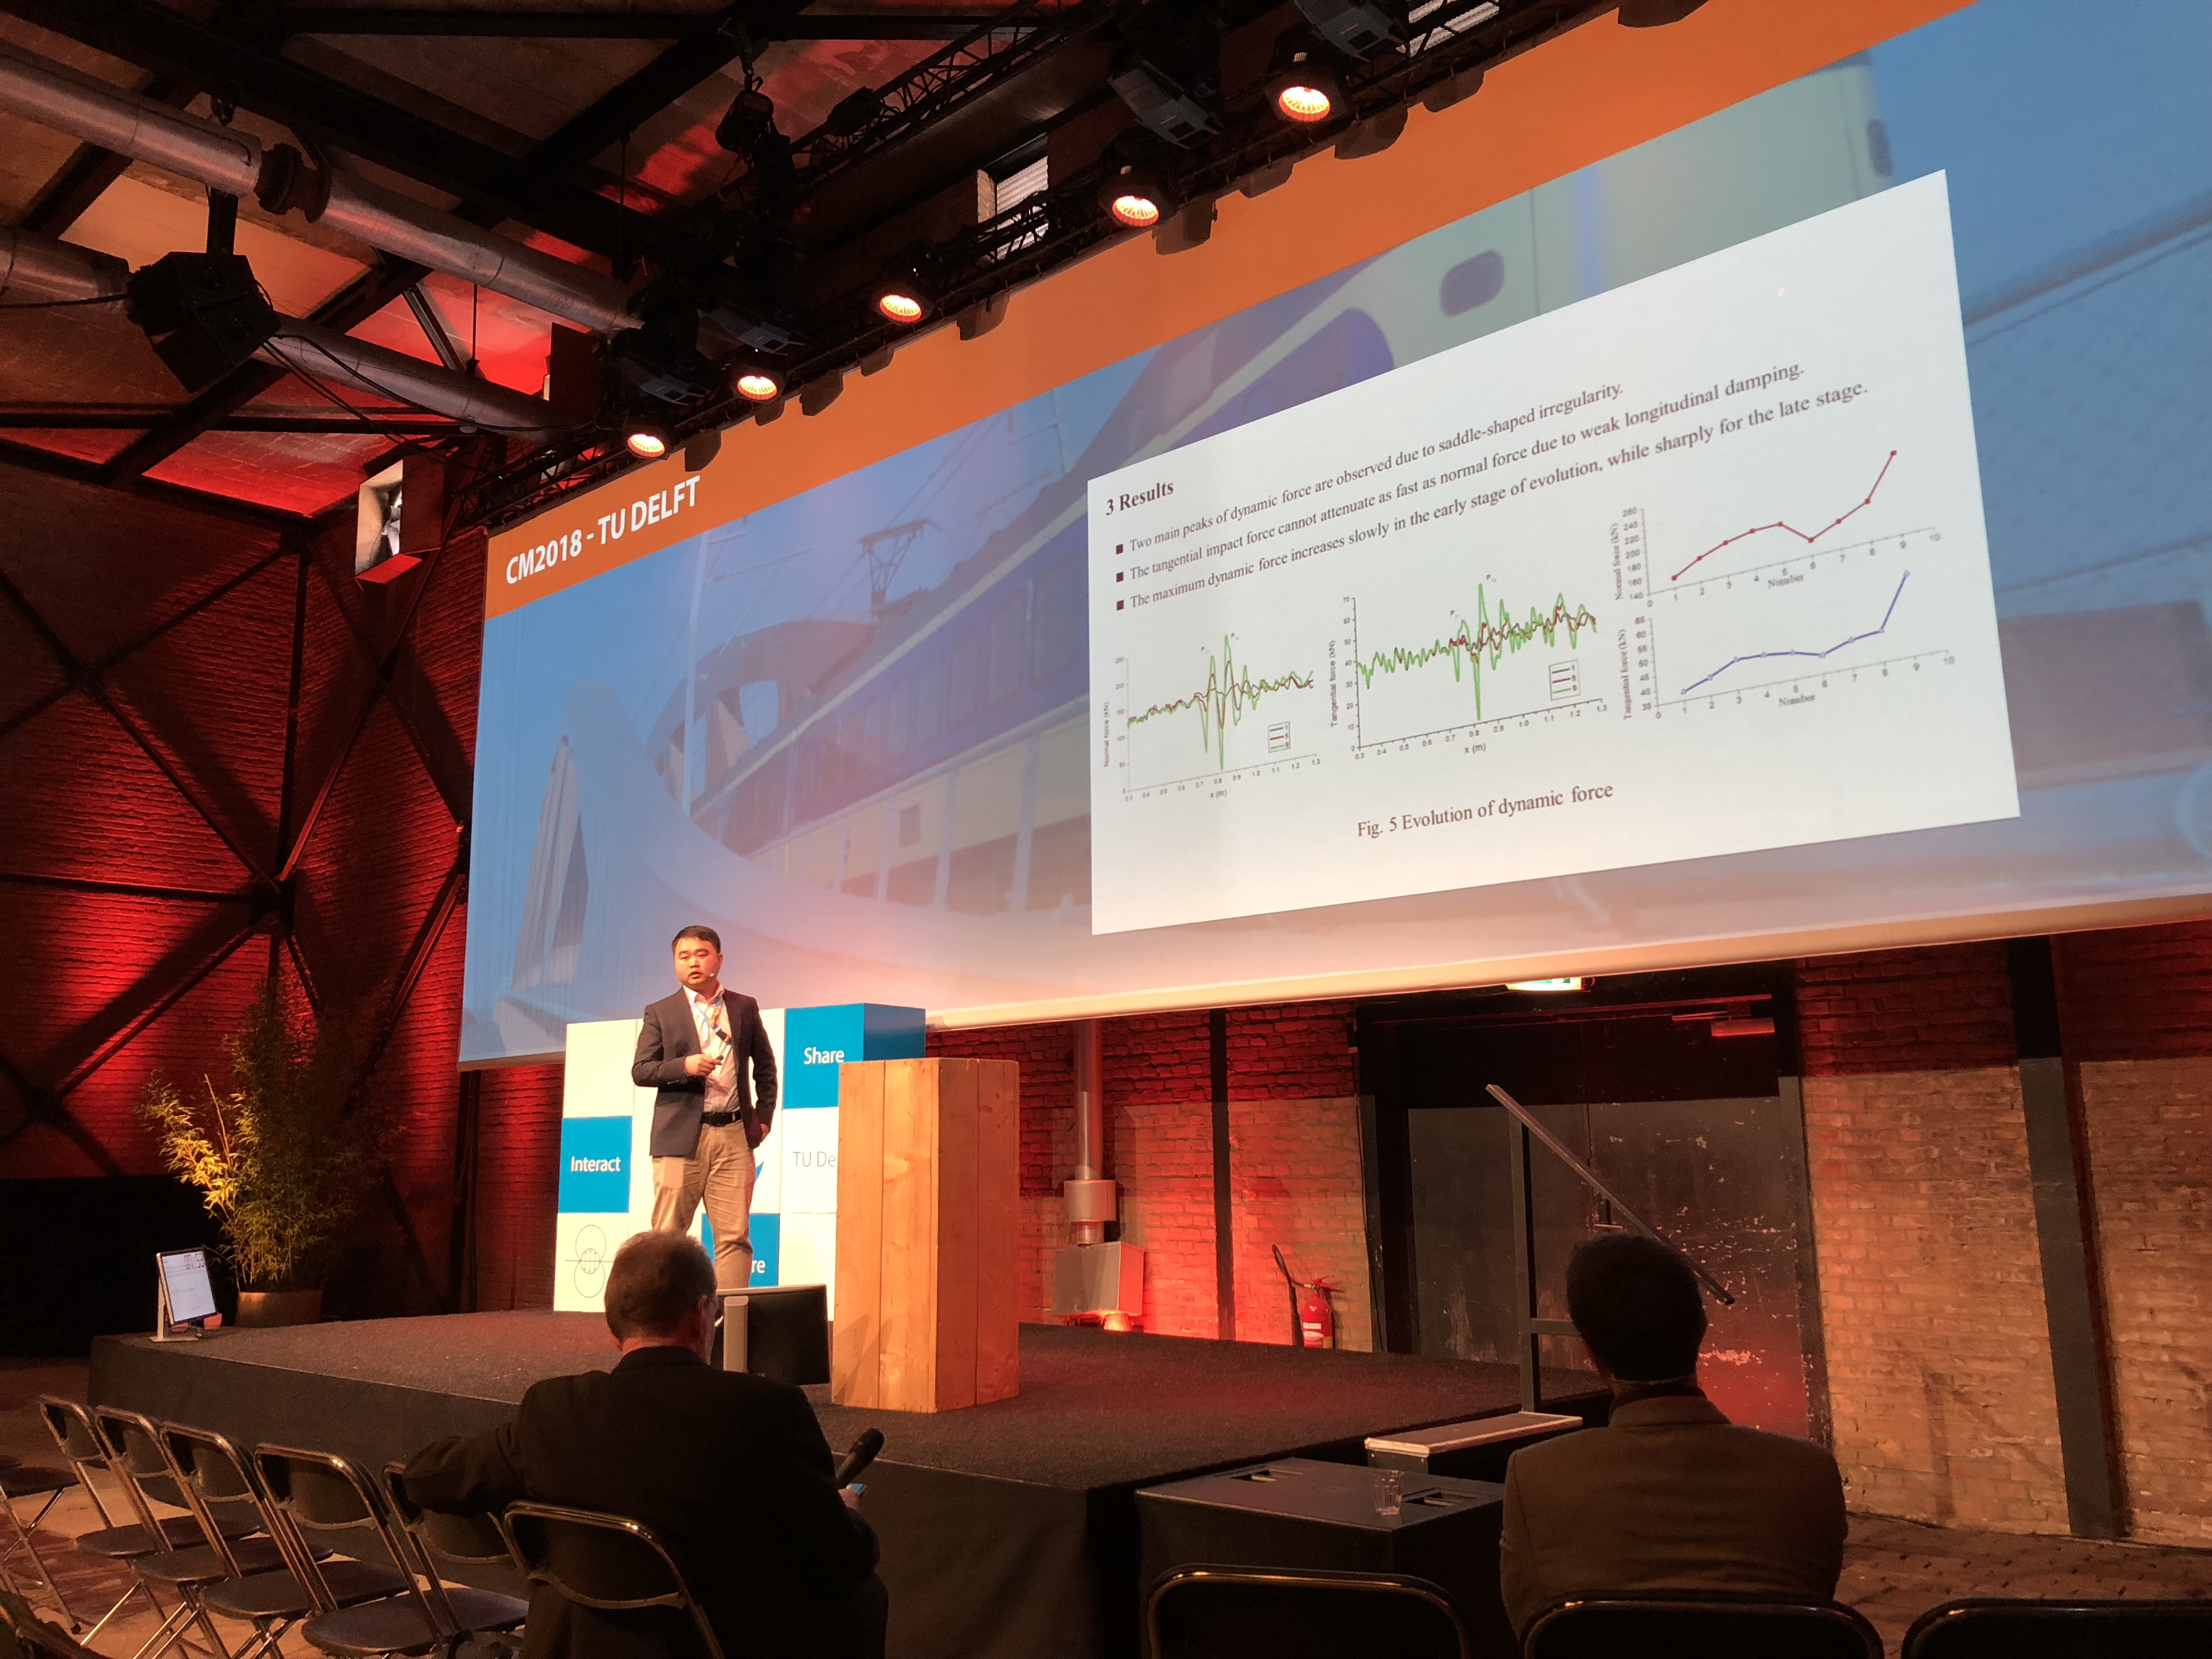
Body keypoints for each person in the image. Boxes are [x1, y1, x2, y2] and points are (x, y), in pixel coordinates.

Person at [403, 1232, 885, 1659]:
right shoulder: (769, 1410)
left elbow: (428, 1478)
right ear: (700, 1316)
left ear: (614, 1330)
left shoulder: (552, 1411)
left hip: (581, 1646)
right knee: (866, 1597)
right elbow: (842, 1562)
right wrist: (846, 1514)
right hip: (719, 1642)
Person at [1498, 1232, 1846, 1634]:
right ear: (1702, 1329)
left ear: (1590, 1353)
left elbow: (1532, 1631)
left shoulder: (1535, 1477)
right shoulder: (1811, 1473)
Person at [631, 925, 778, 1289]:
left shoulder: (743, 1007)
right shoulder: (661, 1012)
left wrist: (764, 1117)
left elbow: (765, 1067)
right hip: (680, 1137)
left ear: (719, 960)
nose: (693, 963)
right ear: (675, 963)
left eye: (701, 954)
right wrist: (685, 1066)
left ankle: (730, 1317)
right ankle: (666, 1317)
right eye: (684, 957)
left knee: (734, 1239)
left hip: (734, 1135)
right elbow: (642, 1070)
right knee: (668, 1238)